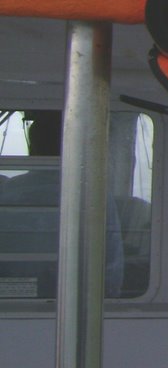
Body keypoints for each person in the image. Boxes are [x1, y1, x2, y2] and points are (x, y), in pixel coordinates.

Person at [0, 114, 124, 298]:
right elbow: (111, 274)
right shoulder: (97, 196)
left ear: (33, 148)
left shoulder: (6, 192)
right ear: (75, 147)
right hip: (82, 305)